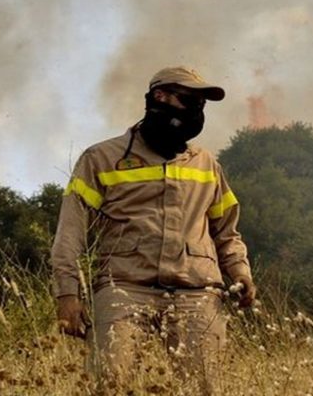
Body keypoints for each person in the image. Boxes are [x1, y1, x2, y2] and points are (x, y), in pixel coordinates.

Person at [50, 66, 256, 394]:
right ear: (159, 97)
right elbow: (70, 233)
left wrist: (241, 273)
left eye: (202, 104)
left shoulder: (207, 165)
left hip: (197, 293)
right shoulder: (102, 158)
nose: (196, 111)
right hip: (123, 289)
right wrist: (67, 294)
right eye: (189, 99)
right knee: (110, 386)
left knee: (206, 389)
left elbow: (227, 232)